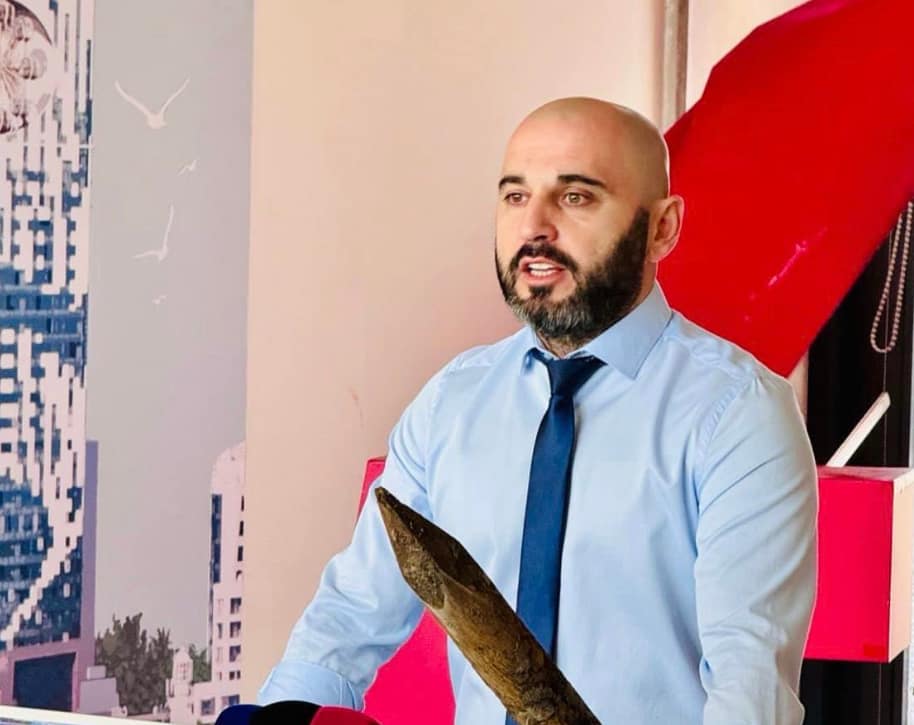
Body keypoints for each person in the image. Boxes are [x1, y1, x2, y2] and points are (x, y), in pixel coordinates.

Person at [258, 97, 818, 724]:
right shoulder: (451, 403)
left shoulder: (738, 415)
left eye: (575, 197)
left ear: (662, 228)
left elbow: (750, 687)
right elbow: (349, 617)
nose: (534, 227)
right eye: (515, 196)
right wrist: (281, 715)